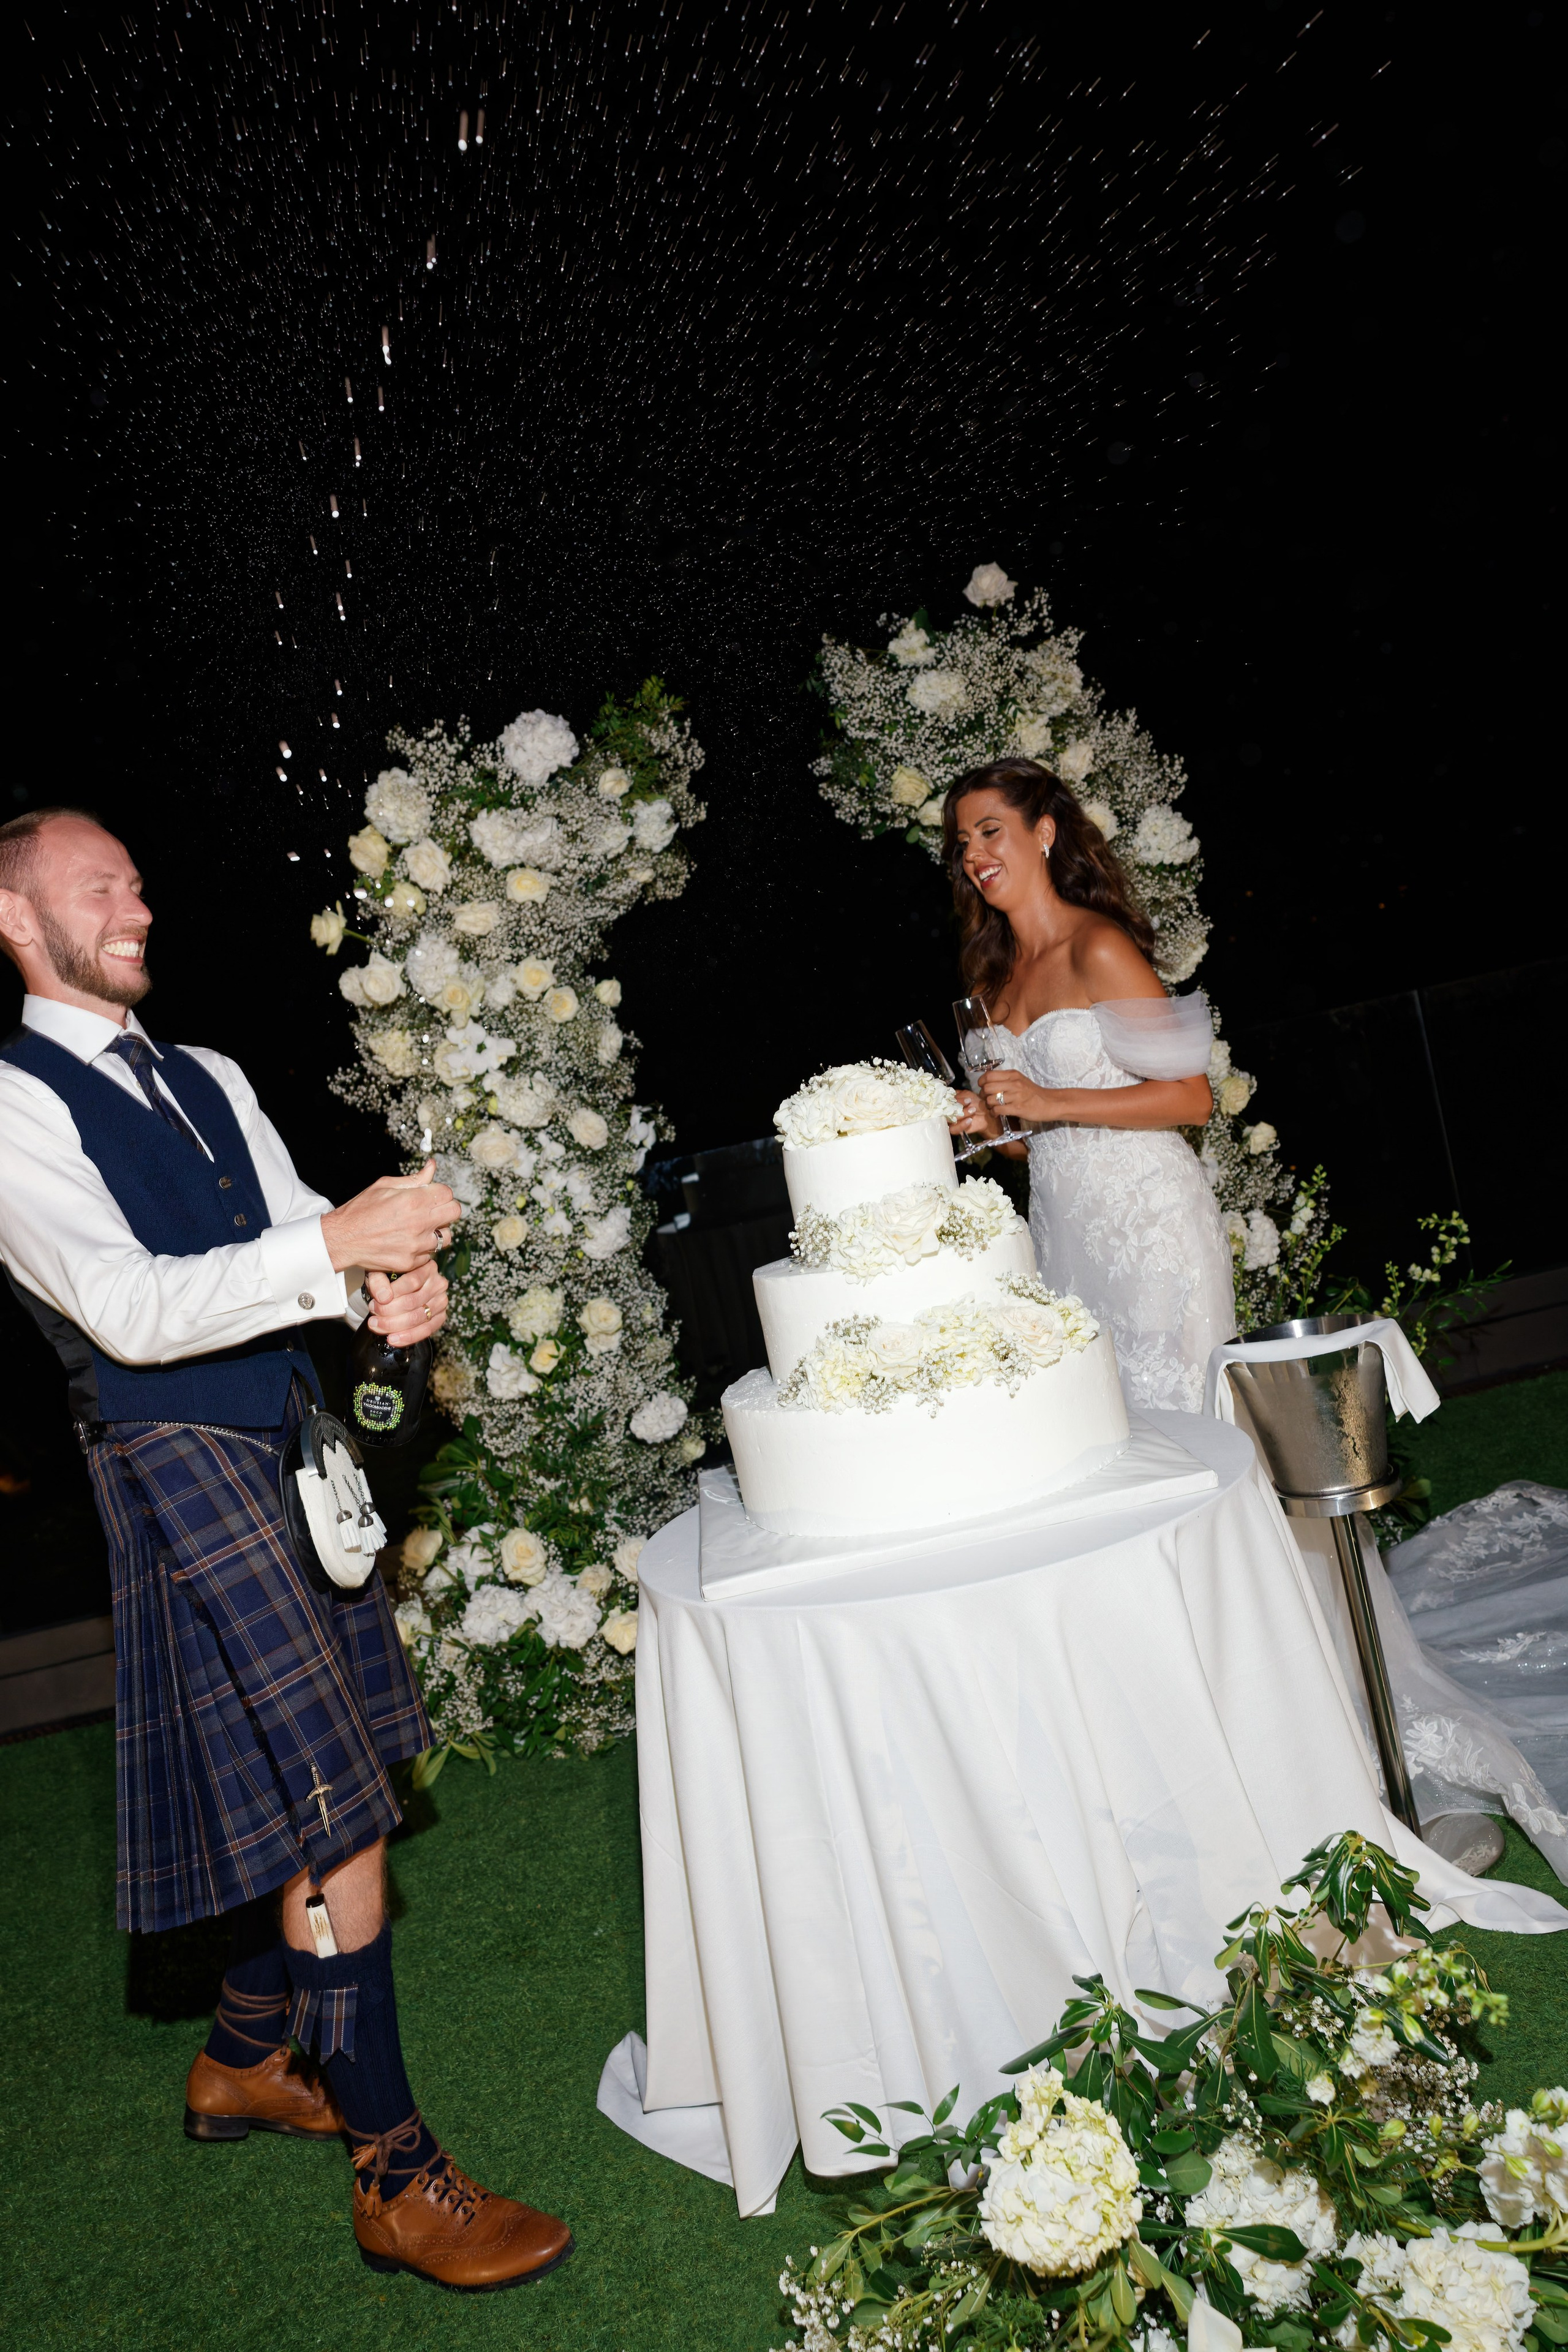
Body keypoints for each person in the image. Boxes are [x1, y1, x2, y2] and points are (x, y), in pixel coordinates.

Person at [0, 807, 572, 2292]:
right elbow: (128, 1310)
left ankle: (249, 2052)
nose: (136, 899)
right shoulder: (7, 1101)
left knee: (307, 1772)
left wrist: (382, 1282)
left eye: (138, 874)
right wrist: (333, 1248)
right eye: (98, 883)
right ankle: (395, 2175)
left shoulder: (209, 1074)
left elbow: (297, 1240)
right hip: (173, 1456)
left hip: (289, 1440)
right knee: (335, 1810)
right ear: (13, 913)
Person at [944, 760, 1235, 1412]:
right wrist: (992, 1126)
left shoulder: (1096, 947)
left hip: (1151, 1225)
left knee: (1181, 1426)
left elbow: (1192, 1099)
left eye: (991, 832)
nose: (975, 856)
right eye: (964, 844)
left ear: (1043, 832)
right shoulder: (986, 986)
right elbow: (1027, 1145)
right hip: (1061, 1232)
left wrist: (1047, 1100)